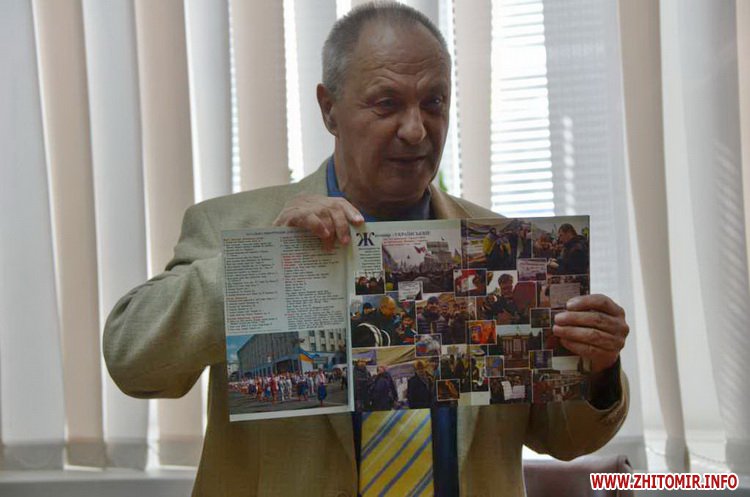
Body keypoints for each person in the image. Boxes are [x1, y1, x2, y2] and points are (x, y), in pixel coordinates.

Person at [103, 4, 630, 496]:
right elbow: (134, 364)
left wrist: (600, 368)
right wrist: (262, 265)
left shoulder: (501, 249)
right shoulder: (235, 227)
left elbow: (564, 439)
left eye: (434, 102)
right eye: (387, 103)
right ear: (329, 109)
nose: (416, 130)